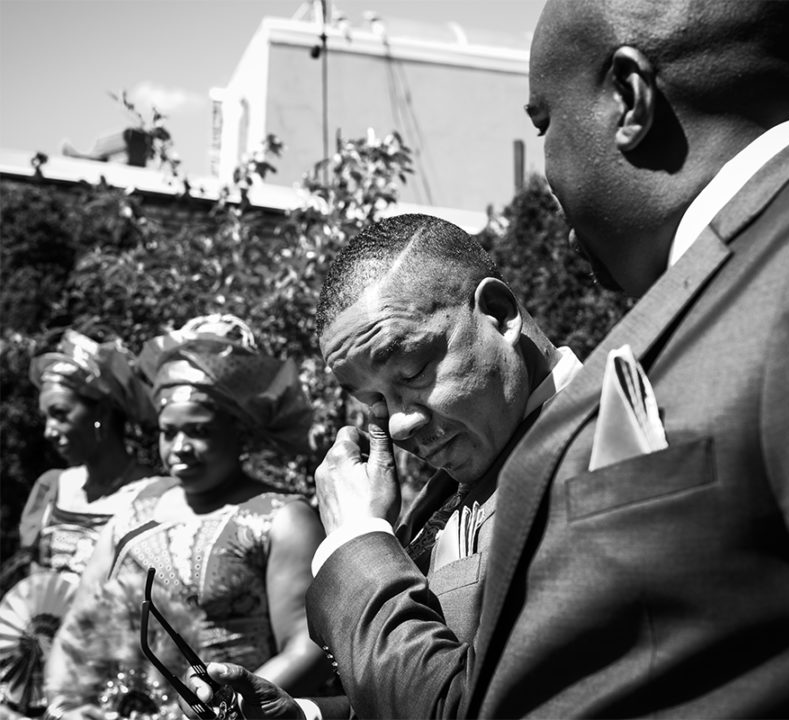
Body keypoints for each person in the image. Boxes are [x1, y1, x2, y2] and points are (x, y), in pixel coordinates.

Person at [311, 0, 789, 717]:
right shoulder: (708, 308)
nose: (544, 180)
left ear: (630, 98)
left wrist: (356, 551)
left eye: (544, 123)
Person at [179, 214, 581, 720]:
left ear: (498, 315)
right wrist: (306, 716)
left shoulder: (594, 457)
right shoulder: (461, 480)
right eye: (374, 402)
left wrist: (358, 544)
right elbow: (445, 675)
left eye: (411, 372)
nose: (398, 425)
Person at [43, 315, 329, 720]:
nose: (180, 448)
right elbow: (79, 624)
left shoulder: (283, 518)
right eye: (167, 431)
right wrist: (65, 705)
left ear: (240, 431)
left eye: (200, 431)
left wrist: (224, 708)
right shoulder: (135, 507)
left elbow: (307, 646)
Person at [0, 329, 157, 717]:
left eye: (60, 414)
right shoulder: (52, 488)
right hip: (39, 667)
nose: (49, 431)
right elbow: (37, 587)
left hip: (113, 674)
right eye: (45, 417)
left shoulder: (152, 496)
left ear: (101, 411)